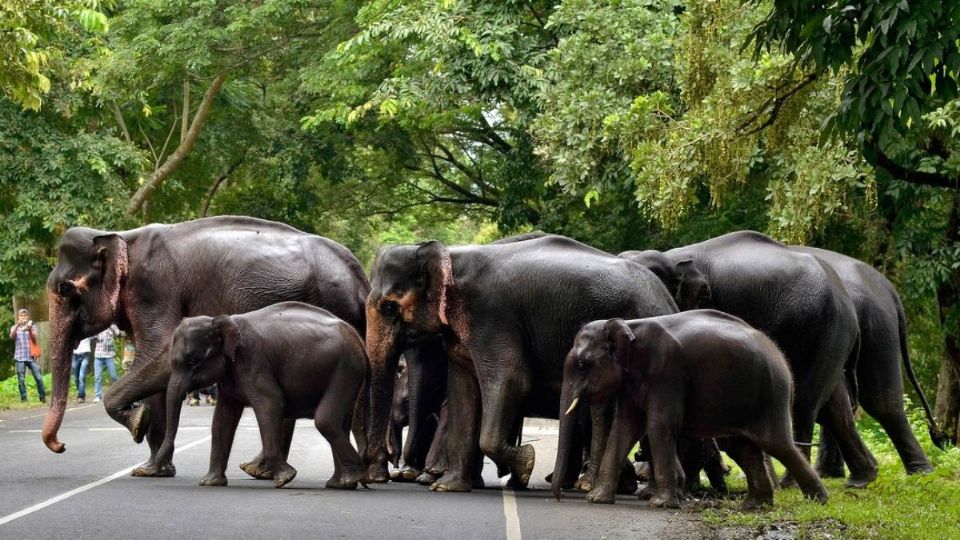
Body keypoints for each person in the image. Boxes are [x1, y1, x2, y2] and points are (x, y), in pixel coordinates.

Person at [9, 308, 46, 403]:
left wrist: (29, 329)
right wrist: (18, 324)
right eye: (21, 316)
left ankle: (42, 398)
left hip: (31, 356)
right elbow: (12, 337)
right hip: (19, 357)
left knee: (38, 378)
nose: (23, 317)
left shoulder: (32, 327)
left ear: (28, 317)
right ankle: (24, 399)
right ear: (18, 317)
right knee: (21, 379)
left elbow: (34, 339)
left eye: (25, 316)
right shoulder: (14, 327)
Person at [92, 324, 121, 403]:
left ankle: (118, 393)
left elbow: (118, 334)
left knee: (114, 376)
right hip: (98, 355)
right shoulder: (99, 326)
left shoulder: (112, 326)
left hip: (109, 355)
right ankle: (98, 396)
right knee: (97, 377)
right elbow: (92, 336)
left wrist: (111, 327)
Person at [72, 337, 92, 403]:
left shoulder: (88, 329)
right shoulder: (75, 331)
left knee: (81, 377)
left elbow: (96, 333)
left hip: (85, 355)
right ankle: (81, 393)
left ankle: (80, 396)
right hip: (75, 355)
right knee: (76, 378)